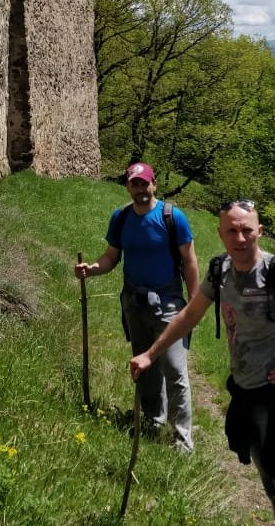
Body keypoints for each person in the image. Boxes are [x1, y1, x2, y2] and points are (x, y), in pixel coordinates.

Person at [129, 199, 275, 525]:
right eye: (232, 231)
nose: (240, 238)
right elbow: (191, 313)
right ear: (220, 234)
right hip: (246, 397)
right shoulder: (219, 271)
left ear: (259, 232)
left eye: (247, 230)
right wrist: (151, 353)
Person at [75, 162, 199, 452]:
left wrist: (193, 304)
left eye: (145, 183)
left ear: (154, 184)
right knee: (145, 367)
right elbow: (111, 257)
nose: (140, 189)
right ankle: (153, 420)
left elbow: (190, 261)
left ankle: (183, 440)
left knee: (174, 369)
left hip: (168, 303)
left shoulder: (172, 217)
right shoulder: (121, 218)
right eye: (135, 183)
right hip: (133, 302)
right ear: (128, 186)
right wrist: (92, 269)